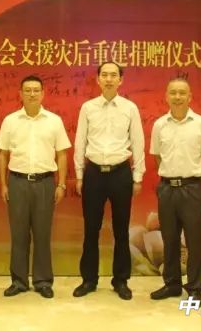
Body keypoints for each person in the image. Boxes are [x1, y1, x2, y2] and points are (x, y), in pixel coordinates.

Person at [72, 61, 145, 301]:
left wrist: (137, 176)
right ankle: (89, 280)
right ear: (98, 79)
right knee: (91, 229)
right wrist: (80, 175)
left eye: (114, 75)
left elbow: (138, 142)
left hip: (120, 173)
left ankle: (120, 280)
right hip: (93, 173)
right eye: (104, 75)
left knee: (121, 230)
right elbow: (80, 142)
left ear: (121, 80)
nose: (109, 79)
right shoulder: (88, 108)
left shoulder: (130, 108)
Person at [0, 75, 71, 299]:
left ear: (43, 93)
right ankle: (19, 281)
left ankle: (43, 281)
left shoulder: (54, 121)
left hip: (45, 183)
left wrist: (61, 184)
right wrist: (3, 184)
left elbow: (62, 154)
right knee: (18, 234)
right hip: (17, 182)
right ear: (20, 94)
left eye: (36, 90)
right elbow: (2, 154)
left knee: (42, 234)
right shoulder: (10, 121)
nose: (32, 94)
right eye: (27, 90)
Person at [149, 78, 201, 302]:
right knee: (169, 239)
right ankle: (172, 284)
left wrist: (196, 180)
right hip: (167, 189)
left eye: (182, 93)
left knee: (194, 240)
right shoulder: (159, 125)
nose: (177, 97)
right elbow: (157, 157)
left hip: (192, 189)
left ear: (190, 97)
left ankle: (195, 288)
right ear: (166, 96)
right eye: (173, 93)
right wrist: (171, 177)